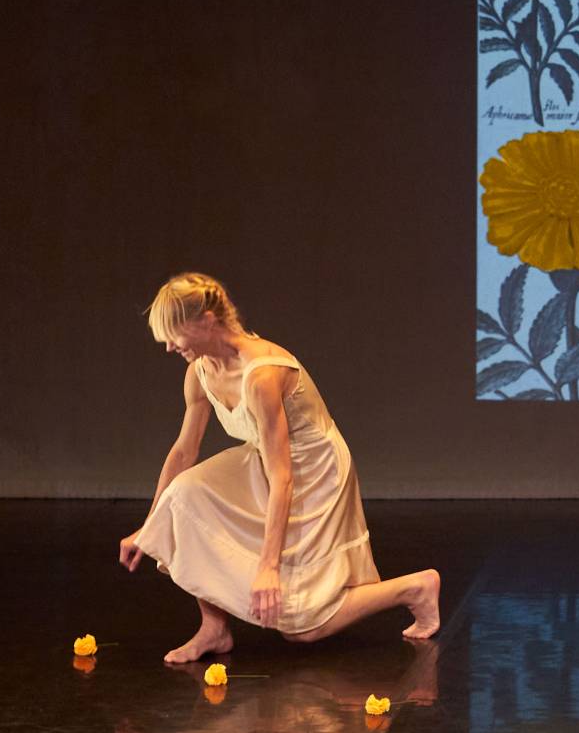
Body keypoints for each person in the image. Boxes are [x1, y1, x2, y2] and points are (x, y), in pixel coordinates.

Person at [118, 272, 440, 663]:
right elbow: (184, 452)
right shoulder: (199, 373)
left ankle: (414, 588)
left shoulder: (261, 375)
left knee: (302, 626)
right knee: (183, 497)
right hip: (265, 458)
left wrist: (268, 568)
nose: (169, 347)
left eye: (174, 335)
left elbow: (283, 475)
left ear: (206, 321)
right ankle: (214, 628)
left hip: (315, 470)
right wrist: (148, 524)